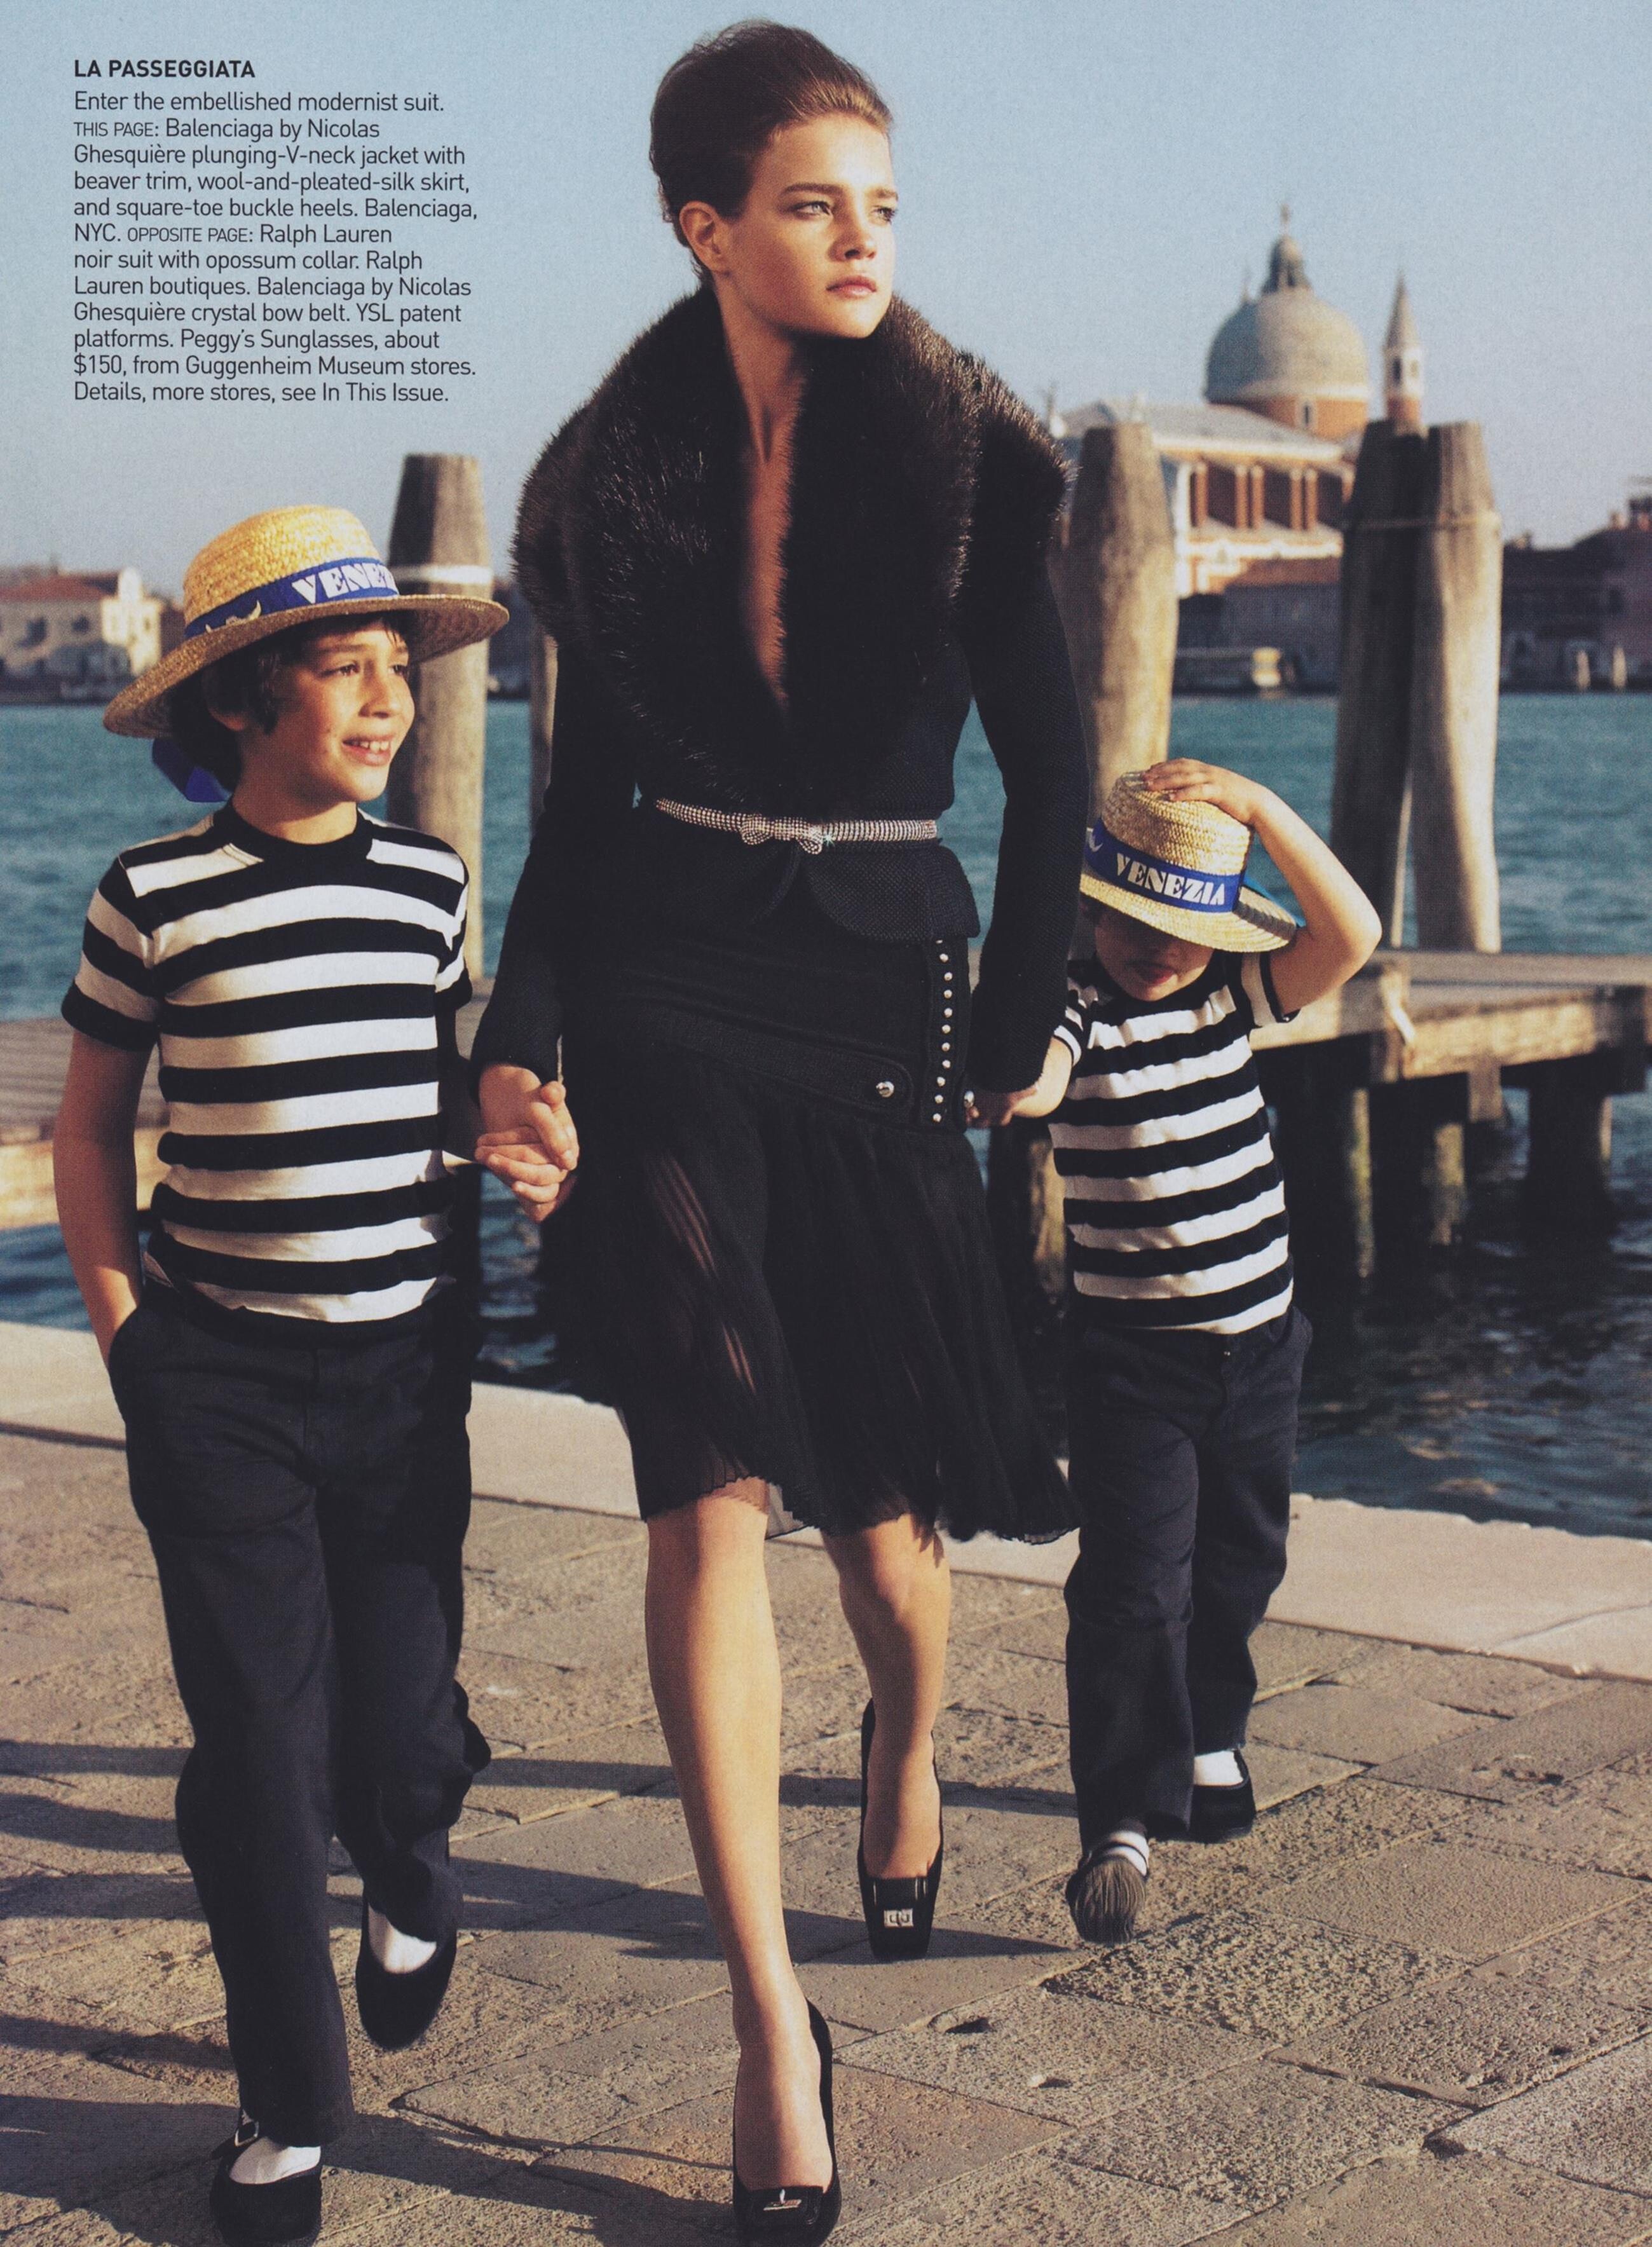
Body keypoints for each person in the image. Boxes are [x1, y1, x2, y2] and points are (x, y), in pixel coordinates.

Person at [470, 24, 1086, 2239]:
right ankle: (765, 2025)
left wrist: (1031, 1018)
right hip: (662, 995)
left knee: (885, 1530)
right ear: (704, 226)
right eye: (814, 203)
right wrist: (517, 1036)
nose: (860, 240)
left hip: (886, 990)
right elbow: (578, 805)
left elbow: (1056, 775)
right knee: (704, 1483)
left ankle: (907, 1735)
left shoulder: (981, 467)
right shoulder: (608, 482)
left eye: (883, 207)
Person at [53, 507, 510, 2247]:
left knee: (403, 1736)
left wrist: (519, 1132)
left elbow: (444, 1096)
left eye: (401, 668)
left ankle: (413, 1872)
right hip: (217, 1383)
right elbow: (90, 1132)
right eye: (346, 668)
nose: (391, 698)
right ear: (246, 697)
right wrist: (131, 1340)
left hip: (400, 1380)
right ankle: (288, 2104)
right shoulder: (151, 896)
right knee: (255, 1752)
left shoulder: (430, 885)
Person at [1013, 761, 1382, 1946]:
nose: (1159, 952)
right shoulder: (1076, 1005)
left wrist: (1261, 809)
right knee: (1133, 1587)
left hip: (1264, 1345)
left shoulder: (1233, 994)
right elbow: (1041, 1080)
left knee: (1241, 1561)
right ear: (1093, 906)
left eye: (1184, 930)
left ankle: (1213, 1729)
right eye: (1135, 924)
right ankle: (1120, 1819)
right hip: (1134, 1365)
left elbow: (1355, 933)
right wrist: (1011, 1085)